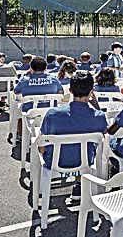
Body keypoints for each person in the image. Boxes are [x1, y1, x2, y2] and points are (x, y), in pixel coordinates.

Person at [38, 71, 110, 201]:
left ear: (70, 90)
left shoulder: (53, 114)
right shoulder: (98, 116)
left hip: (54, 161)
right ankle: (79, 183)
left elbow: (42, 147)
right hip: (85, 162)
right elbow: (105, 134)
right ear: (91, 91)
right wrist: (96, 105)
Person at [11, 56, 64, 146]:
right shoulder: (54, 79)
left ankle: (20, 135)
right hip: (50, 112)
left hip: (30, 113)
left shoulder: (24, 80)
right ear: (46, 67)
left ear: (31, 67)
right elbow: (61, 92)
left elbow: (16, 92)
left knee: (18, 111)